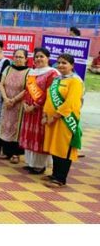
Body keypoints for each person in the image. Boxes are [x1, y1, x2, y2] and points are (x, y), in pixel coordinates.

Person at [42, 54, 84, 188]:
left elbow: (71, 102)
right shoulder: (57, 79)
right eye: (59, 62)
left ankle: (61, 178)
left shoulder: (76, 81)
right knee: (55, 146)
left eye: (64, 63)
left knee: (64, 148)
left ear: (72, 65)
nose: (60, 65)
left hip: (66, 120)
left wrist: (55, 116)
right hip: (52, 119)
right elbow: (49, 98)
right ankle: (55, 174)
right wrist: (45, 114)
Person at [19, 48, 59, 175]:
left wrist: (35, 105)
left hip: (41, 111)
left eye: (42, 56)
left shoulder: (52, 73)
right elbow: (27, 90)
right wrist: (25, 103)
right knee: (29, 135)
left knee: (39, 136)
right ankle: (31, 163)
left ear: (48, 58)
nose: (38, 59)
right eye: (36, 56)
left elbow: (49, 93)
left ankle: (40, 165)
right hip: (29, 110)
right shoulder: (32, 72)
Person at [0, 49, 29, 163]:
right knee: (6, 125)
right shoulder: (8, 68)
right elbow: (1, 84)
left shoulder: (29, 72)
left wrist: (14, 100)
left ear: (26, 59)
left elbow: (27, 89)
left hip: (19, 104)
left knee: (17, 128)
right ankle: (6, 151)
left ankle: (16, 153)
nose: (18, 59)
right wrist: (6, 99)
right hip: (6, 103)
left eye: (21, 57)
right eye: (16, 56)